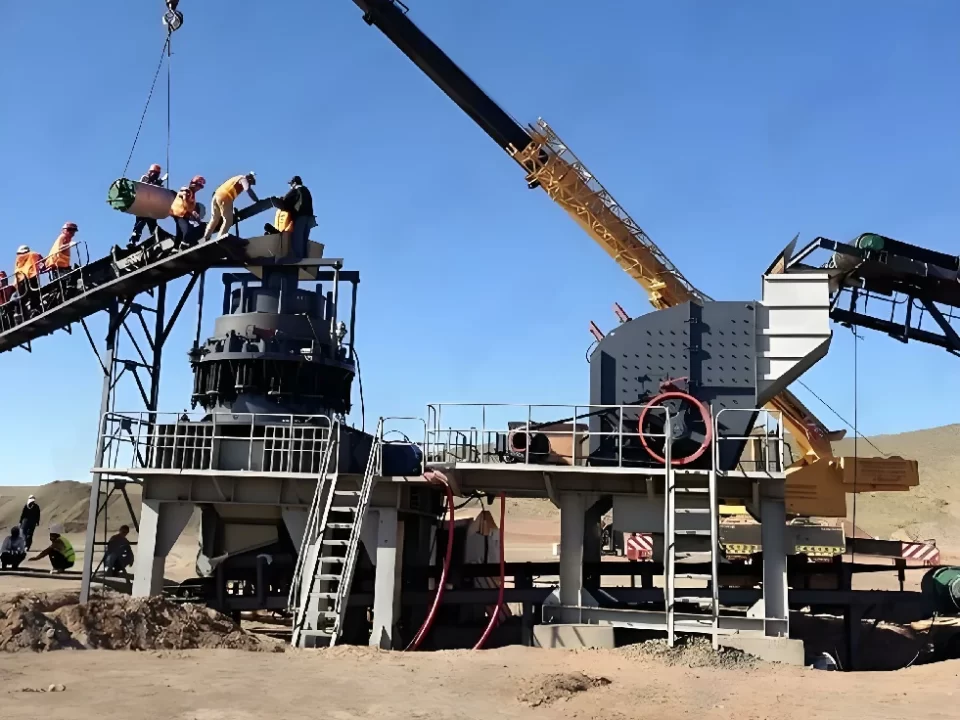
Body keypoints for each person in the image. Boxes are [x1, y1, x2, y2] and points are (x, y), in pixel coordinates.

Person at [202, 172, 258, 242]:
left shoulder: (236, 178)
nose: (250, 184)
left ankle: (206, 237)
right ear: (250, 178)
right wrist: (257, 200)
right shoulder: (243, 179)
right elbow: (248, 189)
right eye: (251, 183)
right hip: (225, 196)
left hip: (216, 195)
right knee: (228, 220)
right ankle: (220, 238)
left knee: (215, 218)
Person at [130, 163, 166, 244]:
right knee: (140, 224)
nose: (155, 175)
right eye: (154, 173)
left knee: (152, 225)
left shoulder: (155, 183)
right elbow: (146, 186)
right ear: (150, 172)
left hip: (150, 208)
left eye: (156, 174)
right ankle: (133, 241)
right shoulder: (145, 179)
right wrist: (160, 182)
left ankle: (156, 238)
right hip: (142, 207)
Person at [169, 175, 206, 247]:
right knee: (186, 229)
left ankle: (176, 246)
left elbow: (190, 205)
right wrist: (192, 212)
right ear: (194, 184)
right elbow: (185, 202)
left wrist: (194, 214)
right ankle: (186, 243)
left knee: (180, 231)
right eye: (198, 186)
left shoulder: (192, 194)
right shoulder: (186, 191)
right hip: (180, 214)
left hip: (183, 215)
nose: (198, 188)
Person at [13, 245, 44, 315]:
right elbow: (40, 258)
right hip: (30, 278)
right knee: (34, 294)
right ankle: (35, 309)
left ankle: (20, 313)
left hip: (21, 281)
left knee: (22, 297)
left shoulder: (18, 261)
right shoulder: (32, 255)